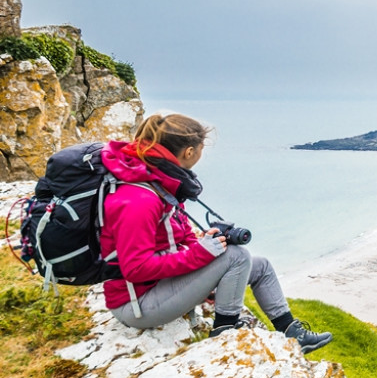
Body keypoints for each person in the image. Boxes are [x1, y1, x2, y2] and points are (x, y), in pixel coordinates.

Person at [98, 113, 333, 353]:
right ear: (190, 152)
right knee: (237, 256)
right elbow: (135, 268)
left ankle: (293, 333)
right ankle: (225, 334)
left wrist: (204, 250)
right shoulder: (140, 198)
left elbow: (175, 236)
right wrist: (200, 256)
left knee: (259, 265)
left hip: (161, 287)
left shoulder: (157, 182)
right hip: (138, 305)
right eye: (201, 150)